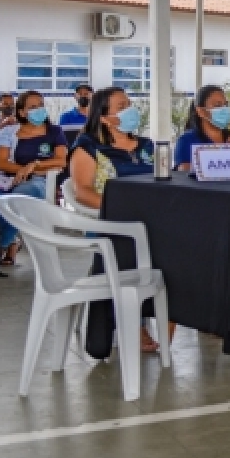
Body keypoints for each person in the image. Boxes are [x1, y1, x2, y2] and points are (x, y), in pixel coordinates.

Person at [66, 87, 163, 353]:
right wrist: (122, 210)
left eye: (129, 104)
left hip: (152, 219)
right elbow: (83, 192)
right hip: (109, 222)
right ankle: (136, 322)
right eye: (122, 107)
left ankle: (183, 316)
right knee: (135, 245)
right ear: (105, 117)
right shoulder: (88, 147)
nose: (130, 110)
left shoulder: (146, 146)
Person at [0, 91, 69, 268]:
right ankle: (7, 243)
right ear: (21, 112)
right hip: (7, 179)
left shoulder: (54, 131)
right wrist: (22, 170)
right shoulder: (9, 131)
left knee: (20, 196)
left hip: (39, 180)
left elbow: (61, 160)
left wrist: (34, 166)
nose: (39, 110)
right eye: (33, 107)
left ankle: (2, 245)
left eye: (41, 105)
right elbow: (0, 162)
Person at [174, 85, 230, 171]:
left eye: (226, 105)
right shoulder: (187, 140)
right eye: (218, 105)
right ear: (201, 111)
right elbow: (184, 171)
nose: (224, 109)